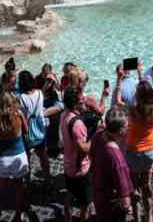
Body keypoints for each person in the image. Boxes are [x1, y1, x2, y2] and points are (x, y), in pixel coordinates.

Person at [89, 106, 134, 222]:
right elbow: (125, 204)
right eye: (126, 126)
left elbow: (91, 156)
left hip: (98, 195)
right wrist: (126, 206)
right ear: (120, 131)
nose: (128, 127)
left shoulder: (98, 135)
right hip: (111, 207)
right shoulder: (117, 159)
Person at [0, 91, 28, 222]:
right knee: (19, 189)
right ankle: (18, 216)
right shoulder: (19, 115)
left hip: (3, 158)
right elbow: (26, 131)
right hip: (19, 156)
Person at [125, 81, 153, 222]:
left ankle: (137, 218)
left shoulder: (132, 110)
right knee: (146, 185)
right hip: (149, 151)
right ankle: (149, 216)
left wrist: (120, 81)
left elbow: (119, 102)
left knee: (134, 188)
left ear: (138, 96)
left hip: (133, 151)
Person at [60, 86, 92, 222]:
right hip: (80, 169)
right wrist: (95, 137)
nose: (84, 100)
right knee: (85, 204)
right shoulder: (77, 124)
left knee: (69, 194)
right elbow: (83, 148)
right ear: (75, 104)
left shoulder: (64, 115)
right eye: (81, 100)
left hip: (68, 165)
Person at [18, 70, 54, 182]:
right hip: (40, 129)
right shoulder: (39, 93)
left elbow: (22, 117)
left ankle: (27, 181)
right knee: (43, 156)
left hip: (27, 131)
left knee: (27, 157)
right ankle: (48, 178)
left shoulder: (21, 98)